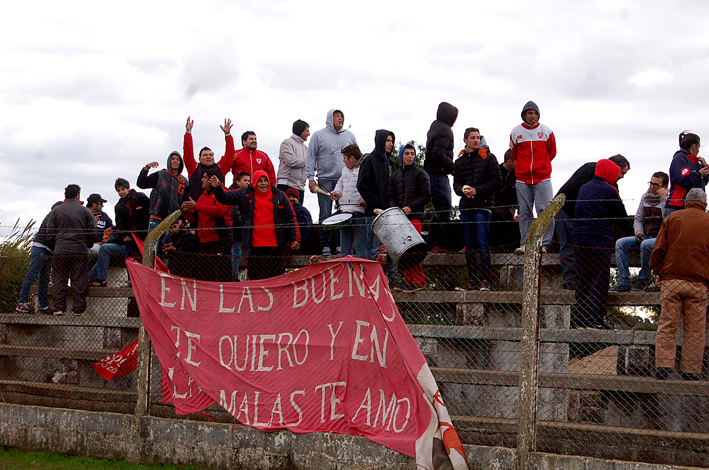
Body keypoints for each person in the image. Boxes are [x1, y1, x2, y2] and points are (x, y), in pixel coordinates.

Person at [651, 188, 709, 381]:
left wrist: (658, 271)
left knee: (667, 325)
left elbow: (659, 248)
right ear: (705, 203)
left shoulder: (673, 218)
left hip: (672, 281)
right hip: (698, 283)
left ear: (686, 201)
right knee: (695, 328)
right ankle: (691, 370)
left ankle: (663, 366)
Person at [572, 159, 632, 329]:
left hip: (579, 236)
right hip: (598, 237)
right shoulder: (609, 190)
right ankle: (595, 319)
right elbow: (621, 217)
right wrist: (634, 235)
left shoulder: (585, 187)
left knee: (583, 278)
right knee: (599, 278)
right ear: (610, 173)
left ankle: (581, 319)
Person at [555, 155, 630, 290]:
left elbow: (617, 212)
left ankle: (583, 281)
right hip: (566, 210)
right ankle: (571, 280)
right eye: (622, 172)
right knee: (569, 245)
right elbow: (574, 192)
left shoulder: (611, 185)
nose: (623, 176)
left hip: (581, 218)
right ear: (615, 167)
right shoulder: (590, 170)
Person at [211, 170, 299, 280]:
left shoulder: (280, 196)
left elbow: (291, 218)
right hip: (254, 248)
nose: (263, 184)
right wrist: (217, 188)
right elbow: (225, 198)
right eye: (260, 181)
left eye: (265, 180)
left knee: (276, 282)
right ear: (255, 183)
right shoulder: (245, 193)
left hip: (275, 248)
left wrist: (295, 238)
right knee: (256, 283)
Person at [453, 128, 501, 291]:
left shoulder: (489, 158)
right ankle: (472, 280)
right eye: (472, 138)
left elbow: (496, 180)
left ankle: (485, 280)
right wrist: (463, 190)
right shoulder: (459, 162)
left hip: (484, 205)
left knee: (482, 242)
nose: (476, 140)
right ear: (465, 140)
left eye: (478, 137)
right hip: (466, 207)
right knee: (469, 244)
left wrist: (477, 190)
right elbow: (456, 185)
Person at [306, 109, 358, 256]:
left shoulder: (349, 135)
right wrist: (311, 178)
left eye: (342, 116)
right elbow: (310, 157)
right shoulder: (318, 135)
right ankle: (326, 245)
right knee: (325, 213)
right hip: (324, 180)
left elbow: (357, 155)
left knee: (343, 212)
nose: (340, 118)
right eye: (336, 116)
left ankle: (340, 244)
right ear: (330, 118)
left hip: (346, 179)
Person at [509, 101, 557, 254]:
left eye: (535, 113)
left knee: (545, 210)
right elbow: (514, 152)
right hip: (523, 178)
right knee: (524, 212)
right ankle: (525, 244)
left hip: (542, 177)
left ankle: (544, 244)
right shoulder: (516, 132)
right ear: (524, 115)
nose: (533, 116)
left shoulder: (547, 131)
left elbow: (552, 152)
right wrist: (523, 167)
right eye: (530, 113)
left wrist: (541, 165)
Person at [46, 184, 100, 316]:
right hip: (79, 250)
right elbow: (92, 232)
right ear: (78, 195)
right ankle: (78, 309)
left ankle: (58, 307)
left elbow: (49, 233)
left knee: (59, 279)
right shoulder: (85, 211)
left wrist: (56, 245)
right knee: (78, 279)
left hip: (60, 250)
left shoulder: (56, 211)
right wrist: (87, 244)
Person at [611, 171, 668, 293]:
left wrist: (663, 199)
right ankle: (624, 281)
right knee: (621, 243)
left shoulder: (669, 200)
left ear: (665, 187)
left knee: (645, 245)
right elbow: (638, 218)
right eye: (650, 183)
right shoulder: (645, 197)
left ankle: (643, 280)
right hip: (645, 236)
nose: (651, 187)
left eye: (656, 185)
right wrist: (638, 231)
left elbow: (668, 219)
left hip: (659, 238)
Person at [87, 178, 150, 287]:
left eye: (122, 189)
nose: (121, 192)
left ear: (128, 188)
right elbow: (120, 224)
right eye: (118, 190)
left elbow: (149, 213)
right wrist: (124, 235)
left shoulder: (140, 197)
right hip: (128, 241)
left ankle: (90, 278)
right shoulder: (119, 206)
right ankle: (100, 279)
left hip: (143, 239)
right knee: (106, 249)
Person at [389, 143, 431, 291]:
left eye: (412, 154)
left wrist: (411, 207)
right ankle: (408, 281)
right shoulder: (395, 175)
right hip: (400, 220)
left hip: (415, 217)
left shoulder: (421, 173)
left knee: (414, 250)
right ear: (402, 156)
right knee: (403, 252)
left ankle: (418, 281)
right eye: (406, 153)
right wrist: (396, 210)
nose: (410, 156)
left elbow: (426, 195)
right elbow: (391, 196)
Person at [181, 170, 233, 282]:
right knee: (205, 274)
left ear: (212, 179)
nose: (202, 180)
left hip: (219, 240)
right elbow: (195, 219)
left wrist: (196, 206)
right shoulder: (202, 197)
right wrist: (186, 212)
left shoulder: (224, 193)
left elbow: (219, 211)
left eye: (204, 177)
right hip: (204, 241)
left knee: (220, 275)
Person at [423, 102, 458, 253]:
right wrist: (452, 167)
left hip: (432, 172)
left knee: (440, 208)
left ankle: (434, 240)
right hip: (439, 173)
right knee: (444, 208)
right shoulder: (446, 130)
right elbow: (438, 153)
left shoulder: (435, 127)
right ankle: (437, 242)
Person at [15, 201, 62, 315]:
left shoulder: (53, 218)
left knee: (44, 279)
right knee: (32, 274)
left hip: (48, 250)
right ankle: (22, 302)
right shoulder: (52, 217)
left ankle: (44, 306)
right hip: (41, 247)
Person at [183, 116, 235, 202]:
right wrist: (188, 133)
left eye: (211, 155)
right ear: (199, 158)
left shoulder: (221, 167)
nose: (208, 156)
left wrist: (228, 135)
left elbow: (230, 154)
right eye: (205, 155)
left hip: (217, 210)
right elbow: (187, 153)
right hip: (197, 210)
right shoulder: (193, 168)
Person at [330, 144, 367, 258]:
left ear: (351, 158)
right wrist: (337, 193)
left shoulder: (363, 170)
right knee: (345, 247)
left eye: (345, 158)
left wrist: (365, 199)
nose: (343, 161)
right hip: (344, 213)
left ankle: (361, 271)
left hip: (358, 213)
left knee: (360, 246)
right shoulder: (344, 171)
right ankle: (346, 271)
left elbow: (368, 186)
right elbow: (340, 184)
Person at [137, 150, 188, 232]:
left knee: (169, 244)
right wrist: (146, 168)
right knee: (153, 244)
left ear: (180, 163)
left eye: (178, 159)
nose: (175, 161)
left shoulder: (184, 181)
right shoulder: (160, 175)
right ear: (169, 161)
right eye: (173, 159)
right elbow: (141, 183)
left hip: (173, 220)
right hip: (156, 218)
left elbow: (184, 202)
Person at [665, 131, 709, 217]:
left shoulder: (694, 162)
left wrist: (705, 166)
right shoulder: (680, 159)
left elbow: (704, 181)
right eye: (698, 147)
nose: (698, 151)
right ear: (694, 146)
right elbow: (683, 180)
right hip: (677, 206)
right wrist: (699, 174)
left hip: (693, 207)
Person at [490, 150, 520, 252]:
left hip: (510, 208)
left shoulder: (518, 175)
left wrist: (521, 213)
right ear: (510, 162)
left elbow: (521, 194)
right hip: (496, 208)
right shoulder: (496, 172)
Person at [277, 119, 310, 202]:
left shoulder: (306, 148)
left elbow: (310, 166)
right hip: (286, 184)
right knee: (284, 212)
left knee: (298, 213)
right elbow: (291, 161)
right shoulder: (287, 143)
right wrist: (310, 160)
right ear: (301, 131)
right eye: (307, 131)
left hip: (300, 187)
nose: (309, 134)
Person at [229, 172, 251, 281]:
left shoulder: (248, 194)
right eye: (245, 180)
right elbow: (235, 213)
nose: (247, 183)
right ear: (238, 182)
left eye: (248, 181)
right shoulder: (234, 195)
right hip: (236, 231)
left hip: (243, 231)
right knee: (236, 254)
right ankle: (234, 277)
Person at [285, 188, 313, 255]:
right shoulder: (281, 211)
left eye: (294, 197)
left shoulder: (303, 211)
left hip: (299, 243)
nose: (291, 199)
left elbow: (304, 228)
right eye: (288, 197)